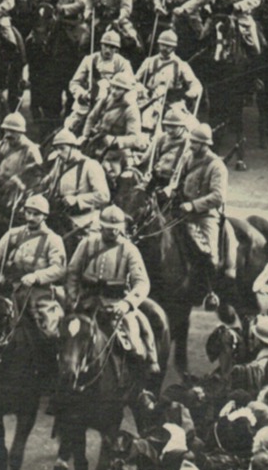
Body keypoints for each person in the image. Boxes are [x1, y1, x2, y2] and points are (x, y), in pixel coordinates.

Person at [65, 206, 157, 373]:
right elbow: (72, 272)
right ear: (101, 226)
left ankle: (138, 389)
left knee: (135, 348)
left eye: (116, 229)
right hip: (86, 304)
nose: (112, 233)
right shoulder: (86, 244)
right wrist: (72, 298)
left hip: (115, 305)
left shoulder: (129, 250)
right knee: (63, 338)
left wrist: (126, 304)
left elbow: (142, 283)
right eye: (108, 229)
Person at [166, 121, 232, 286]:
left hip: (204, 215)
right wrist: (172, 191)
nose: (191, 145)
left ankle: (209, 290)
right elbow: (179, 181)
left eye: (195, 143)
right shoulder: (188, 159)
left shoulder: (217, 166)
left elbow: (218, 196)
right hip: (182, 210)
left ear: (205, 145)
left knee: (208, 254)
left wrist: (193, 205)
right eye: (191, 141)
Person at [0, 194, 67, 325]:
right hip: (11, 289)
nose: (31, 218)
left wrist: (36, 277)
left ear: (45, 216)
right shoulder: (13, 234)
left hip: (39, 293)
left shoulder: (53, 239)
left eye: (36, 214)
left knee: (48, 329)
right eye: (28, 213)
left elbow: (59, 268)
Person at [46, 127, 111, 223]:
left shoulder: (90, 165)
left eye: (62, 148)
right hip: (61, 215)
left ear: (74, 147)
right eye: (56, 149)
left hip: (82, 219)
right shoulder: (59, 163)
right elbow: (51, 182)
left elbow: (104, 196)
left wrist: (77, 199)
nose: (58, 152)